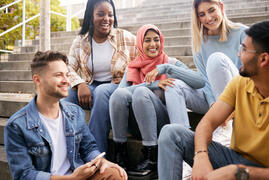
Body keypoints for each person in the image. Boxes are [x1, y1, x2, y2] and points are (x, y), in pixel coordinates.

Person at [158, 20, 269, 180]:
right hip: (233, 160)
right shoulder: (240, 82)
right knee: (172, 133)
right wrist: (201, 155)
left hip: (268, 174)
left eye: (244, 49)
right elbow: (207, 123)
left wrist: (240, 172)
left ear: (263, 59)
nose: (239, 54)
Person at [4, 51, 127, 180]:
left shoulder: (75, 112)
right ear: (37, 80)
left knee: (115, 173)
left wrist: (101, 161)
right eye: (58, 75)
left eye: (67, 75)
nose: (66, 81)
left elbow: (89, 147)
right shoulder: (17, 125)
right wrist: (72, 178)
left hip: (77, 175)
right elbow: (24, 175)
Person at [109, 24, 205, 176]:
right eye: (147, 40)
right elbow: (120, 94)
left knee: (141, 92)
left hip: (161, 124)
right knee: (118, 95)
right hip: (135, 124)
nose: (153, 44)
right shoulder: (133, 67)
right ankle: (120, 155)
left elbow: (200, 82)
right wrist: (153, 84)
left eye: (156, 39)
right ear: (140, 43)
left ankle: (152, 156)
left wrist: (167, 69)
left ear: (161, 41)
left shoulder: (171, 63)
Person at [164, 0, 248, 147]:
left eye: (211, 10)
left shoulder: (243, 33)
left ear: (220, 7)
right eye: (202, 14)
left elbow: (249, 75)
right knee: (173, 85)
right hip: (213, 100)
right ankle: (183, 142)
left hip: (239, 95)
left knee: (216, 59)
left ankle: (225, 127)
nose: (208, 18)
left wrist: (223, 109)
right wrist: (213, 104)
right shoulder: (200, 42)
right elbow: (205, 80)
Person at [63, 0, 137, 153]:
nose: (107, 19)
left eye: (110, 15)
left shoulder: (125, 37)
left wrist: (127, 77)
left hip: (116, 86)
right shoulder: (81, 41)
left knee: (102, 91)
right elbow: (68, 67)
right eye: (100, 14)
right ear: (91, 16)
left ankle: (95, 155)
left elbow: (144, 60)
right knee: (68, 94)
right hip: (90, 84)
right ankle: (68, 147)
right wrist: (80, 84)